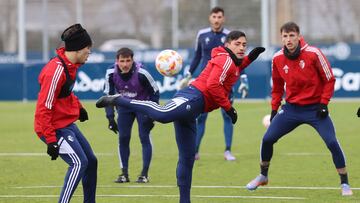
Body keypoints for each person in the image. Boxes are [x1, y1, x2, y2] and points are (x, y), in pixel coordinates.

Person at [96, 30, 265, 203]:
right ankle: (120, 100)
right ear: (227, 45)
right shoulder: (226, 60)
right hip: (192, 97)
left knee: (187, 157)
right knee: (162, 115)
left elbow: (237, 67)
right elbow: (213, 85)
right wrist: (229, 108)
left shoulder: (231, 61)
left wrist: (251, 57)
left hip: (195, 108)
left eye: (244, 44)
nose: (242, 47)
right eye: (237, 44)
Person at [246, 22, 353, 196]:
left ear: (298, 36)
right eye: (285, 36)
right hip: (291, 110)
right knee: (267, 139)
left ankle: (345, 183)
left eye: (291, 35)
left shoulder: (313, 54)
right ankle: (263, 176)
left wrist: (324, 103)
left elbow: (329, 79)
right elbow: (277, 87)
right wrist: (274, 109)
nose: (288, 39)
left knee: (332, 142)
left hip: (315, 110)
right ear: (281, 38)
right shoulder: (277, 58)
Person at [34, 23, 97, 203]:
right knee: (79, 163)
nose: (89, 53)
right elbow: (44, 107)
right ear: (77, 49)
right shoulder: (55, 71)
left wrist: (79, 108)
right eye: (87, 49)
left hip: (66, 124)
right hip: (52, 128)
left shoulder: (70, 65)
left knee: (91, 161)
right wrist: (51, 140)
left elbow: (66, 92)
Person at [178, 6, 249, 161]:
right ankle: (195, 151)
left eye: (219, 17)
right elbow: (197, 56)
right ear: (210, 18)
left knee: (228, 116)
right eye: (214, 17)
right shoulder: (202, 34)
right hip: (206, 84)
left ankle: (227, 151)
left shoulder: (229, 37)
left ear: (223, 19)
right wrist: (188, 73)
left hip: (225, 85)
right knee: (201, 118)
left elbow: (238, 60)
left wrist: (243, 79)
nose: (217, 20)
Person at [102, 47, 159, 183]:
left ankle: (144, 174)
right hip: (124, 107)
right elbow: (108, 96)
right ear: (117, 61)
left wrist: (152, 114)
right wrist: (110, 118)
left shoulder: (142, 72)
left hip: (142, 106)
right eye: (122, 61)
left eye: (128, 60)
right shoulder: (110, 72)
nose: (125, 64)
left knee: (144, 136)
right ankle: (124, 174)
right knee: (123, 137)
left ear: (133, 60)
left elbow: (155, 92)